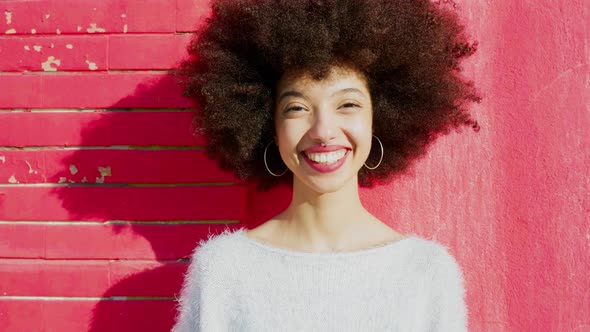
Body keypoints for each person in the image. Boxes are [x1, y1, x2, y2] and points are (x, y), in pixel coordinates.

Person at [173, 0, 480, 330]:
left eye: (347, 104)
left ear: (379, 118)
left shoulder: (426, 272)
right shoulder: (223, 270)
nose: (323, 131)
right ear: (269, 126)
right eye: (297, 108)